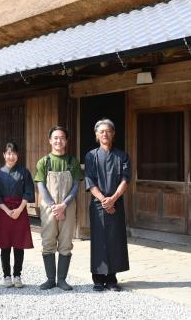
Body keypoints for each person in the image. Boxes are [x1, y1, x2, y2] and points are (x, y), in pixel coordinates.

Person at [85, 119, 131, 292]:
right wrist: (105, 200)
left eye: (108, 131)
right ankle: (97, 278)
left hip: (116, 204)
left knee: (115, 240)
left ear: (113, 134)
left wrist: (113, 198)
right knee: (98, 241)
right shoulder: (91, 155)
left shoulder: (122, 155)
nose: (105, 134)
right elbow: (89, 180)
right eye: (101, 131)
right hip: (98, 204)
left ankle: (111, 278)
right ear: (97, 135)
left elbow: (126, 179)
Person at [34, 126, 82, 291]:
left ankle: (62, 280)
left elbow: (76, 185)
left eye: (62, 138)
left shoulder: (72, 161)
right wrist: (55, 207)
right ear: (50, 140)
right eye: (55, 138)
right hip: (49, 207)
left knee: (66, 242)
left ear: (66, 141)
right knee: (48, 241)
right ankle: (49, 279)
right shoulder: (44, 162)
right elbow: (41, 186)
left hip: (68, 206)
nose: (58, 141)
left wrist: (64, 205)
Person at [0, 142, 34, 288]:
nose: (11, 156)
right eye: (8, 153)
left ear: (18, 155)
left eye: (14, 153)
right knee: (5, 245)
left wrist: (19, 209)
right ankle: (6, 276)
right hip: (4, 212)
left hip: (20, 211)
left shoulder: (24, 172)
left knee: (19, 245)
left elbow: (28, 192)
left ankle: (17, 275)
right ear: (4, 155)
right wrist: (7, 210)